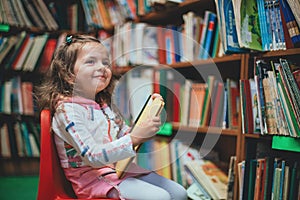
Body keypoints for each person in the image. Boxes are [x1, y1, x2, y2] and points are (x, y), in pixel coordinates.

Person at [36, 34, 187, 200]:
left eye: (105, 62)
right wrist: (134, 138)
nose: (102, 67)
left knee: (179, 193)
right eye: (91, 61)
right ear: (68, 74)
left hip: (120, 170)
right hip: (94, 180)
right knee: (161, 197)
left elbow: (122, 134)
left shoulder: (103, 104)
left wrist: (144, 127)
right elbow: (93, 156)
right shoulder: (67, 111)